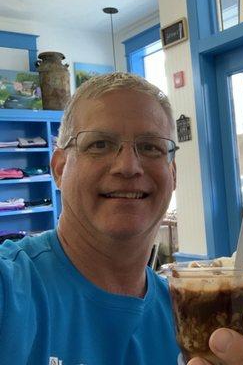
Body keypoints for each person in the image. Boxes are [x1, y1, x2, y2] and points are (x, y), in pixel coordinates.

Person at [0, 73, 180, 363]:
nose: (128, 166)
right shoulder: (11, 290)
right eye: (99, 144)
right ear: (59, 168)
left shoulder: (188, 316)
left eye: (150, 147)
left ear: (172, 175)